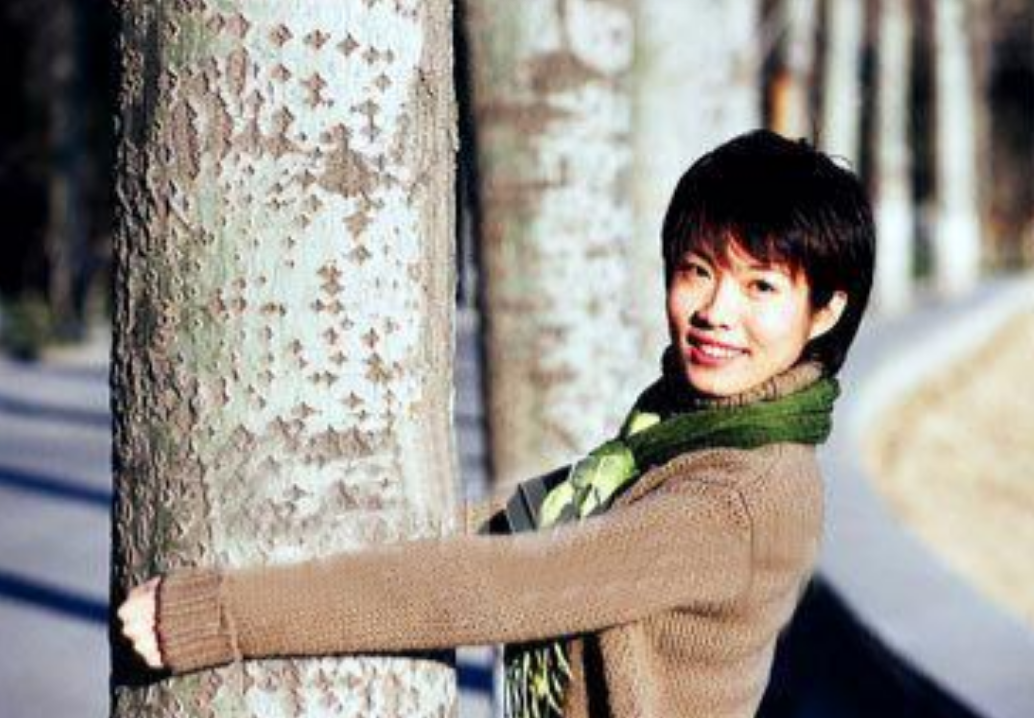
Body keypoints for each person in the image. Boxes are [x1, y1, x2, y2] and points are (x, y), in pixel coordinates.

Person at [118, 129, 875, 718]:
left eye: (761, 286)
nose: (715, 312)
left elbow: (510, 582)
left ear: (826, 309)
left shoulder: (739, 497)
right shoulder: (678, 437)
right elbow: (513, 524)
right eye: (698, 271)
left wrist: (222, 614)